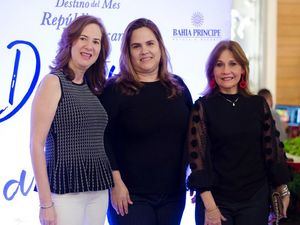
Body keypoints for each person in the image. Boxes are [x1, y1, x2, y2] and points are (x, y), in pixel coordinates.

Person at [187, 40, 291, 225]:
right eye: (219, 64)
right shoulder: (202, 107)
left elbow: (272, 150)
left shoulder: (258, 105)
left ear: (243, 68)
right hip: (216, 201)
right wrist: (210, 207)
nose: (226, 70)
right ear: (212, 70)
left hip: (254, 199)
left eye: (233, 63)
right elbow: (197, 159)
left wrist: (283, 189)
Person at [100, 18, 193, 225]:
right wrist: (115, 183)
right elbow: (102, 139)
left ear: (160, 46)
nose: (145, 51)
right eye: (136, 46)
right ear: (128, 52)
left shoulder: (178, 87)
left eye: (150, 43)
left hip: (173, 196)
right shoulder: (114, 89)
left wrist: (196, 176)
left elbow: (194, 135)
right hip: (130, 196)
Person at [30, 15, 113, 225]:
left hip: (99, 190)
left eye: (96, 42)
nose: (89, 46)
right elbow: (36, 145)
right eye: (83, 38)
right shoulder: (53, 82)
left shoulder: (94, 88)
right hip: (64, 192)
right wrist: (45, 203)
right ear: (70, 41)